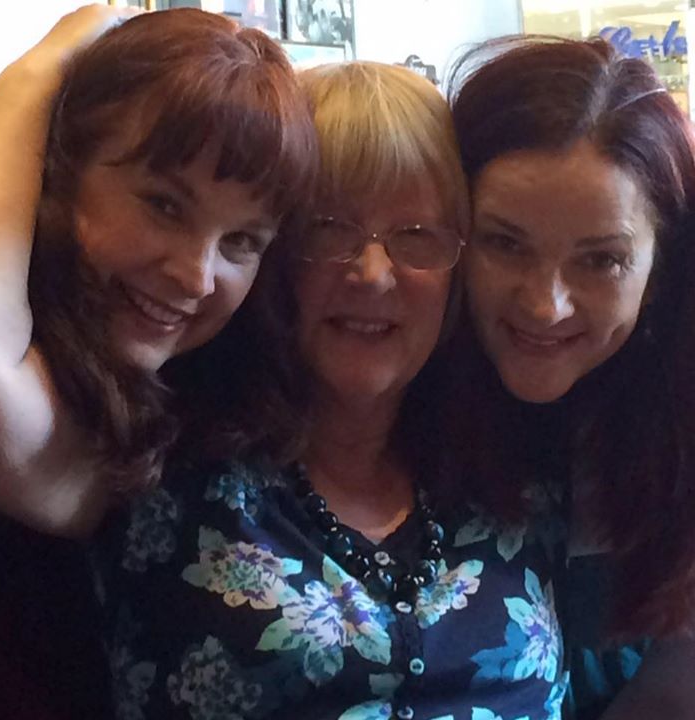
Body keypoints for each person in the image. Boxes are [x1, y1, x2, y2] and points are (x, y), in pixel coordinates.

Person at [86, 59, 569, 720]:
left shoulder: (518, 472)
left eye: (417, 237)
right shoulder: (153, 455)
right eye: (329, 229)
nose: (373, 274)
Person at [0, 5, 316, 717]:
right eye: (164, 205)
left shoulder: (207, 416)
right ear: (58, 172)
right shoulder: (25, 366)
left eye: (241, 242)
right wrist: (47, 62)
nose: (195, 275)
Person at [445, 36, 695, 719]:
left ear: (660, 268)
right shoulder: (386, 410)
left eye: (601, 260)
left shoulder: (677, 424)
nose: (544, 306)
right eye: (505, 243)